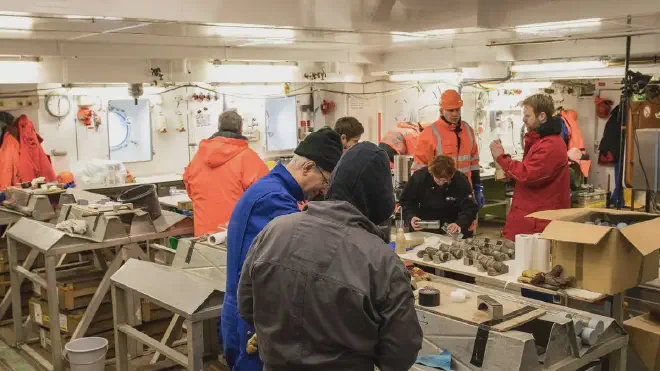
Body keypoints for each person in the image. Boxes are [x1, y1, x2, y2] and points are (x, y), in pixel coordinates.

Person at [238, 142, 422, 371]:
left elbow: (247, 306)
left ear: (333, 183)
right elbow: (400, 354)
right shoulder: (381, 260)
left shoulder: (274, 230)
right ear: (380, 200)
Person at [222, 127, 343, 371]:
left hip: (250, 316)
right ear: (308, 168)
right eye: (325, 180)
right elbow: (288, 269)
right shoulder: (275, 200)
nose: (323, 189)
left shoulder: (273, 189)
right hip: (254, 323)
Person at [490, 94, 570, 241]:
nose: (523, 119)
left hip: (538, 220)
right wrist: (511, 176)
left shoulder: (550, 145)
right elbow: (532, 173)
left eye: (527, 115)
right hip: (531, 216)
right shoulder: (539, 141)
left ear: (542, 116)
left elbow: (529, 175)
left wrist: (502, 158)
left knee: (534, 261)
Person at [184, 111, 268, 236]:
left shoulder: (197, 158)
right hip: (235, 235)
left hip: (203, 235)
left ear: (218, 127)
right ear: (240, 129)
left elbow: (190, 190)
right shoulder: (249, 158)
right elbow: (267, 196)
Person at [412, 89, 486, 208]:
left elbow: (474, 163)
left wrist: (477, 188)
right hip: (440, 194)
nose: (455, 114)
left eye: (457, 110)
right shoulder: (429, 133)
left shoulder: (468, 130)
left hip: (465, 192)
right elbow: (420, 168)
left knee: (466, 225)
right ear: (441, 111)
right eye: (450, 110)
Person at [400, 155, 479, 238]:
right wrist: (411, 217)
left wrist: (460, 223)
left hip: (451, 228)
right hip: (424, 227)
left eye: (445, 180)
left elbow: (470, 207)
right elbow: (405, 201)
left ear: (452, 175)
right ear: (431, 172)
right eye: (438, 179)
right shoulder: (419, 178)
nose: (441, 183)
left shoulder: (461, 181)